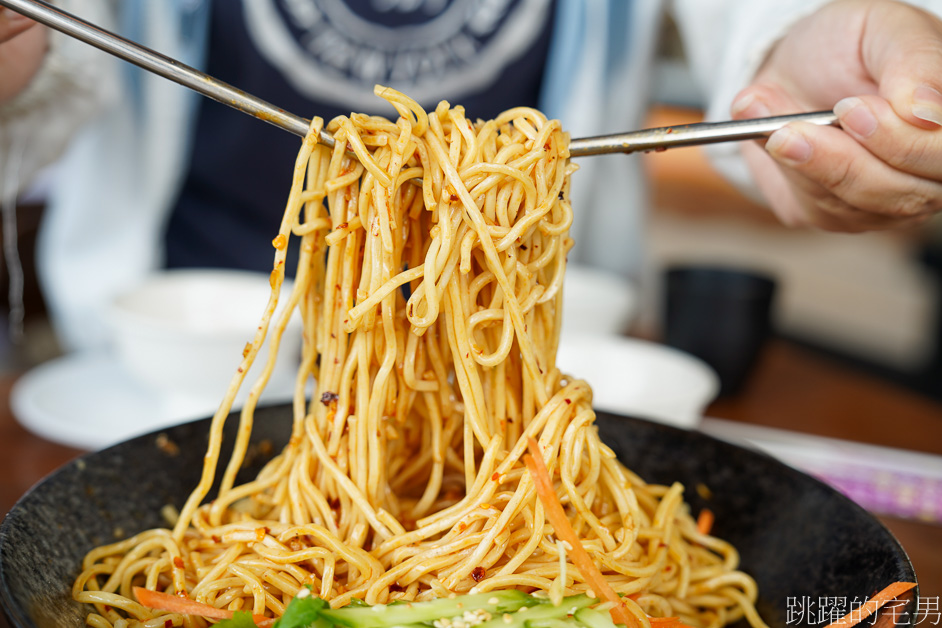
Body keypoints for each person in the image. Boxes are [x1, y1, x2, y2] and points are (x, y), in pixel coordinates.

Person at [1, 0, 942, 352]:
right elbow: (52, 55)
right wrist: (23, 63)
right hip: (173, 355)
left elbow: (764, 16)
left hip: (530, 358)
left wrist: (800, 44)